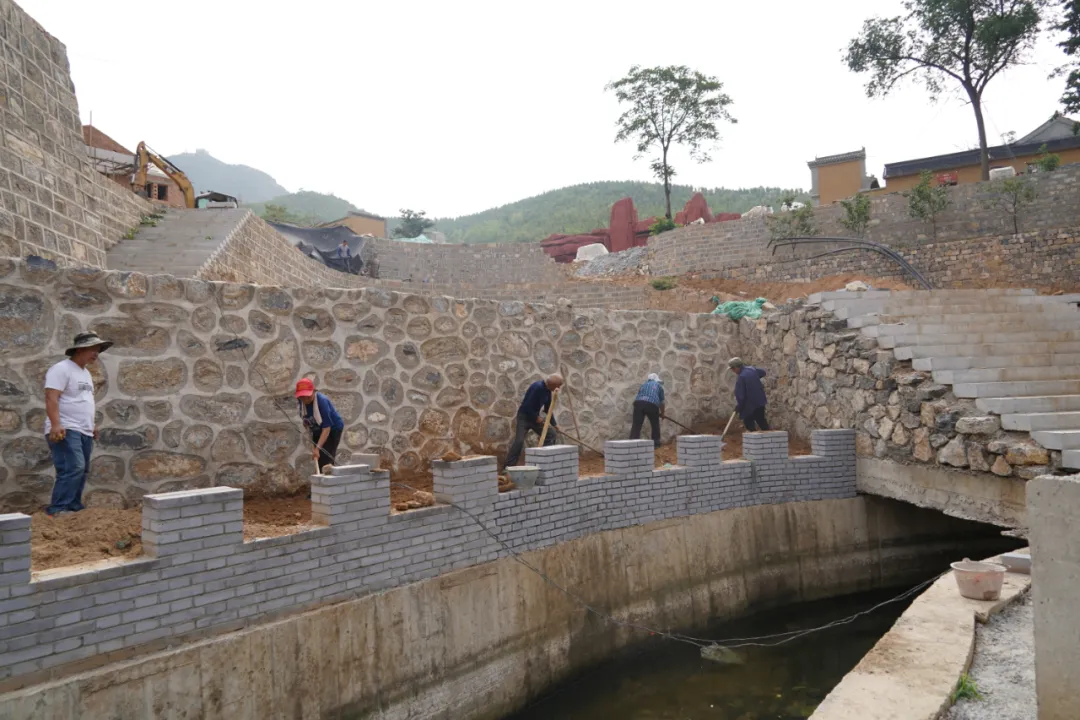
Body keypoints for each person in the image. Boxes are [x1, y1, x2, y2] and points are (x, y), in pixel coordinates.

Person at [44, 332, 112, 517]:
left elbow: (83, 401)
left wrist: (92, 424)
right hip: (66, 428)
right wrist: (55, 424)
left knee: (82, 470)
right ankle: (58, 509)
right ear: (80, 349)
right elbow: (51, 397)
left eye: (98, 349)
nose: (96, 353)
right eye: (93, 349)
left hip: (84, 429)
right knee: (72, 467)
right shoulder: (61, 369)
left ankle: (73, 506)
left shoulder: (85, 373)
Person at [503, 374, 563, 468]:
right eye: (558, 385)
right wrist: (536, 417)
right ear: (552, 384)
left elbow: (548, 410)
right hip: (524, 417)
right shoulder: (537, 387)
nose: (559, 388)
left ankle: (544, 461)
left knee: (551, 434)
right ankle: (508, 467)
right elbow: (526, 406)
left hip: (535, 419)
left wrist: (555, 425)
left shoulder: (548, 392)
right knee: (519, 441)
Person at [296, 378, 344, 471]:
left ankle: (328, 479)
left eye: (308, 396)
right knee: (317, 457)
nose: (306, 400)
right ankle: (320, 478)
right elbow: (305, 417)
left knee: (326, 458)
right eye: (303, 397)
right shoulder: (301, 401)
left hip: (332, 429)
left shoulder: (322, 401)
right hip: (316, 428)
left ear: (313, 391)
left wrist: (317, 449)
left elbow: (327, 428)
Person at [728, 357, 770, 431]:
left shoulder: (741, 378)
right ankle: (770, 439)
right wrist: (754, 378)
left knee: (749, 423)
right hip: (760, 402)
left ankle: (754, 441)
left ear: (737, 367)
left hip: (750, 405)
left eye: (733, 369)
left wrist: (739, 407)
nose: (733, 371)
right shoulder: (752, 369)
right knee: (762, 421)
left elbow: (741, 396)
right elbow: (763, 372)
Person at [630, 373, 665, 447]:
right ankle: (656, 444)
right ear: (656, 380)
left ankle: (632, 443)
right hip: (651, 404)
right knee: (655, 424)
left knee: (636, 425)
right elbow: (662, 403)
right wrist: (662, 413)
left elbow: (639, 395)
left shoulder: (643, 385)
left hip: (638, 403)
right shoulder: (659, 386)